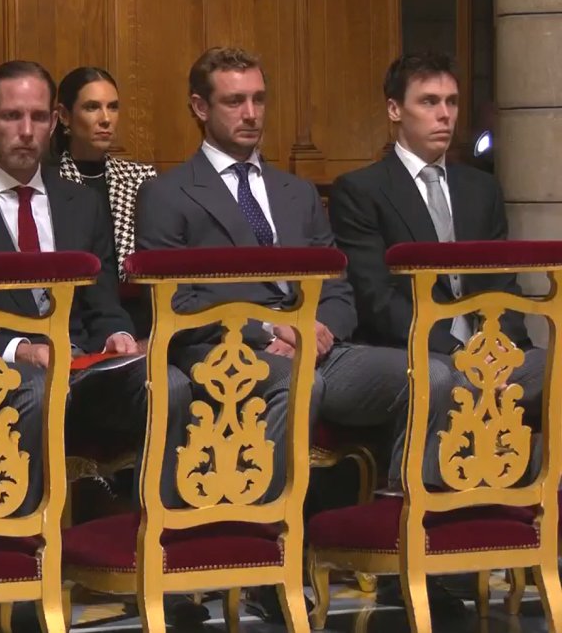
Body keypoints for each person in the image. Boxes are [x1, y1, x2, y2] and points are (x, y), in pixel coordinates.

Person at [134, 47, 453, 620]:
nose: (251, 113)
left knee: (430, 374)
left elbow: (339, 286)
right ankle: (270, 562)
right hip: (225, 350)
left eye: (259, 99)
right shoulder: (168, 192)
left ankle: (397, 546)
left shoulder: (297, 193)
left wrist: (317, 328)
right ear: (200, 108)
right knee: (295, 380)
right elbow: (176, 301)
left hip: (316, 344)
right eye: (235, 101)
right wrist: (266, 331)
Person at [0, 60, 204, 627]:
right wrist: (22, 349)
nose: (27, 131)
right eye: (12, 116)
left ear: (54, 122)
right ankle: (21, 582)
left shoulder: (80, 203)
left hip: (82, 369)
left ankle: (156, 567)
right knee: (37, 390)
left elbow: (102, 302)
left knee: (167, 384)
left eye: (38, 117)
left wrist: (119, 335)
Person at [329, 50, 544, 439]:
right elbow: (376, 299)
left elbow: (503, 285)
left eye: (452, 102)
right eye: (429, 102)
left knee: (552, 368)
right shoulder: (361, 191)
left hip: (493, 352)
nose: (445, 114)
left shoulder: (482, 189)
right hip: (418, 352)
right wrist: (463, 355)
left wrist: (499, 349)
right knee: (447, 380)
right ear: (395, 110)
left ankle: (543, 475)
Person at [52, 66, 157, 278]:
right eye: (92, 107)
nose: (106, 118)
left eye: (113, 107)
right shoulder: (48, 180)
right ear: (64, 115)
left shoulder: (140, 179)